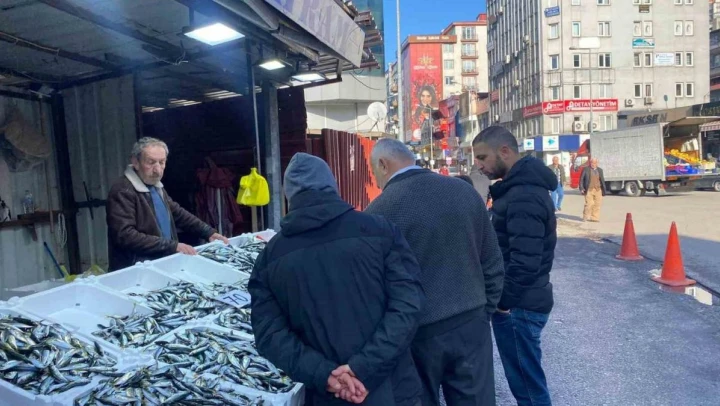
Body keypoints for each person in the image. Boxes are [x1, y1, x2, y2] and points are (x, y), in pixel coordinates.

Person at [249, 153, 425, 406]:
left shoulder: (270, 258)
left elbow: (270, 335)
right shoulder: (380, 230)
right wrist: (363, 367)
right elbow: (408, 304)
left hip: (328, 396)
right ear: (333, 185)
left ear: (289, 196)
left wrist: (326, 375)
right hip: (393, 391)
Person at [366, 138, 505, 406]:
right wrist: (483, 312)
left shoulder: (378, 212)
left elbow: (375, 287)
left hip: (417, 335)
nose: (377, 181)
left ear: (383, 164)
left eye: (374, 173)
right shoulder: (464, 192)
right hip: (471, 323)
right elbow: (492, 262)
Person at [472, 126, 557, 406]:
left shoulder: (523, 196)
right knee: (527, 383)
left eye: (482, 157)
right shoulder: (517, 190)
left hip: (519, 306)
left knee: (529, 390)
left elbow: (525, 261)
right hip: (522, 303)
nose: (479, 165)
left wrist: (503, 302)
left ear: (505, 151)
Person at [106, 137, 228, 271]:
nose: (158, 170)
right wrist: (172, 246)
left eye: (162, 162)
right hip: (135, 270)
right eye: (151, 162)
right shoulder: (123, 190)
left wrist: (208, 232)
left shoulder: (155, 186)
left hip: (160, 264)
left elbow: (178, 213)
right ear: (135, 162)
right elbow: (125, 235)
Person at [579, 158, 607, 222]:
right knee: (589, 204)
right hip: (589, 189)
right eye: (592, 163)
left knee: (597, 204)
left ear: (597, 163)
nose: (593, 164)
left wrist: (603, 189)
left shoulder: (600, 170)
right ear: (590, 163)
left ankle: (594, 218)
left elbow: (602, 180)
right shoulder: (586, 169)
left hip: (598, 189)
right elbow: (581, 179)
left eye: (595, 163)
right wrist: (581, 188)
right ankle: (585, 216)